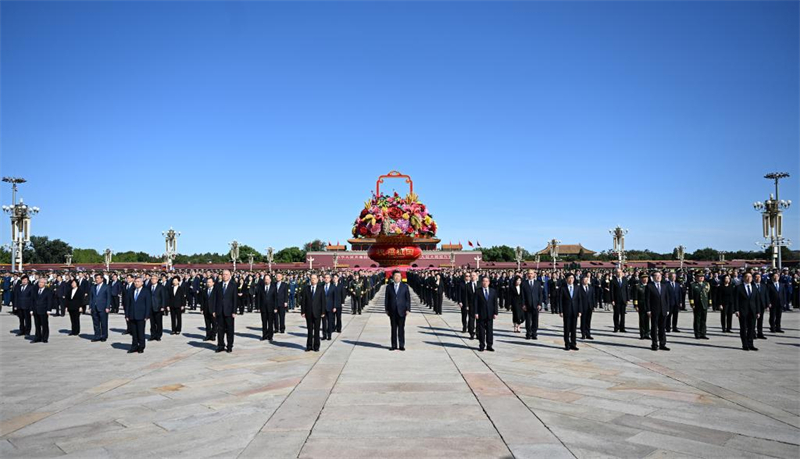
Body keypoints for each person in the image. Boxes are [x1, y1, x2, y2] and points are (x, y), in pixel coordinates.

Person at [385, 270, 411, 351]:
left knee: (401, 329)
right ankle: (393, 345)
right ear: (393, 277)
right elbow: (386, 299)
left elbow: (408, 299)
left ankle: (401, 345)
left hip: (402, 310)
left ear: (401, 277)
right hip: (392, 311)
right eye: (395, 276)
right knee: (393, 329)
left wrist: (408, 309)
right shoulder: (389, 286)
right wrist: (386, 309)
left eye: (398, 276)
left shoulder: (405, 286)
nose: (397, 277)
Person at [734, 272, 760, 351]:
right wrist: (736, 310)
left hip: (752, 311)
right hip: (743, 311)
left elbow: (757, 300)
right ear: (743, 278)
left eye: (750, 277)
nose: (749, 278)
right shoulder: (739, 287)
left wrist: (758, 311)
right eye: (747, 277)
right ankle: (744, 345)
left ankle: (750, 344)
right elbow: (736, 300)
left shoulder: (754, 287)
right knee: (743, 328)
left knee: (751, 328)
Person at [125, 277, 151, 353]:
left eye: (138, 281)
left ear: (142, 283)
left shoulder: (146, 291)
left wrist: (147, 315)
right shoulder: (131, 291)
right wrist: (127, 315)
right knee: (134, 333)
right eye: (135, 282)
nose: (136, 283)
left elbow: (148, 304)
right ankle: (134, 346)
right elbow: (128, 304)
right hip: (132, 315)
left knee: (140, 332)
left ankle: (141, 346)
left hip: (141, 315)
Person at [301, 273, 325, 352]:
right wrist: (303, 311)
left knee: (317, 331)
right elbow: (303, 301)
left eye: (314, 278)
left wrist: (323, 312)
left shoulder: (320, 289)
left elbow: (322, 301)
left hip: (317, 313)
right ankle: (309, 345)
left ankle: (316, 346)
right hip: (308, 313)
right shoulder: (306, 288)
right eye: (312, 278)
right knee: (310, 330)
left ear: (317, 280)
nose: (313, 280)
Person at [646, 271, 670, 351]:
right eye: (656, 276)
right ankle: (654, 344)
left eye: (659, 275)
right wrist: (648, 310)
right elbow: (647, 299)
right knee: (654, 327)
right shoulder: (649, 286)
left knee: (662, 327)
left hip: (663, 310)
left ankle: (662, 344)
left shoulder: (664, 286)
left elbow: (667, 298)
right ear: (653, 277)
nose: (658, 277)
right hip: (654, 310)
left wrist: (667, 309)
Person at [474, 276, 498, 352]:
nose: (485, 283)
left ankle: (489, 345)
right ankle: (481, 345)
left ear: (489, 282)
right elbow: (475, 303)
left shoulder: (493, 291)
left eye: (486, 281)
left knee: (489, 331)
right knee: (481, 331)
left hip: (490, 314)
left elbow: (495, 303)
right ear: (481, 282)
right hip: (481, 313)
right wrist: (476, 312)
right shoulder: (478, 291)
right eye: (483, 281)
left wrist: (495, 313)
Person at [216, 270, 238, 353]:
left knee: (229, 329)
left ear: (230, 275)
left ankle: (229, 346)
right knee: (220, 329)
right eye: (223, 274)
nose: (224, 276)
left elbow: (235, 299)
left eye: (226, 274)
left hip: (229, 311)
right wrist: (214, 310)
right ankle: (220, 345)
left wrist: (234, 311)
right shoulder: (218, 285)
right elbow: (215, 298)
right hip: (220, 311)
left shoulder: (233, 285)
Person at [559, 273, 580, 350]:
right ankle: (567, 344)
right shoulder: (563, 288)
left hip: (575, 310)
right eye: (569, 278)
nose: (571, 280)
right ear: (566, 279)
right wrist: (560, 311)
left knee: (574, 328)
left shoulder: (577, 288)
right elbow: (560, 300)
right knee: (567, 328)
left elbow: (579, 300)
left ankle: (573, 343)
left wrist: (580, 310)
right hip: (566, 310)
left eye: (572, 278)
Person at [521, 269, 544, 340]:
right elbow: (522, 295)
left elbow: (540, 294)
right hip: (527, 305)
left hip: (536, 305)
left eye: (531, 273)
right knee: (528, 320)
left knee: (535, 320)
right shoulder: (524, 283)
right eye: (529, 274)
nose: (530, 275)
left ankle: (534, 333)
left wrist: (540, 304)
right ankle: (528, 333)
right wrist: (523, 304)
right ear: (527, 275)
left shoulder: (538, 283)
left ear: (534, 274)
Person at [89, 273, 111, 342]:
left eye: (98, 278)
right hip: (94, 307)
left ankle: (104, 336)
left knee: (103, 323)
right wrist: (90, 306)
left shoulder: (106, 287)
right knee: (96, 323)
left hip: (103, 307)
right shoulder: (93, 287)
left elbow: (108, 298)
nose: (96, 279)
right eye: (96, 278)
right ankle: (97, 336)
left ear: (102, 279)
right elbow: (91, 298)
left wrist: (107, 307)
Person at [32, 278, 55, 343]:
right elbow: (32, 300)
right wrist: (31, 310)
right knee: (37, 325)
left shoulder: (48, 291)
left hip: (44, 310)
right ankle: (37, 337)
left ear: (45, 284)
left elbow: (49, 301)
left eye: (42, 282)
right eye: (39, 282)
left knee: (44, 325)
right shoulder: (35, 290)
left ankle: (45, 338)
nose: (40, 284)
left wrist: (49, 310)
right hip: (36, 310)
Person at [689, 272, 710, 339]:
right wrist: (692, 303)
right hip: (697, 304)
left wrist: (710, 302)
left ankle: (703, 333)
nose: (701, 278)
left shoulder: (706, 284)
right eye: (699, 276)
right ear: (696, 277)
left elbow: (709, 294)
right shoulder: (693, 285)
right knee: (697, 320)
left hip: (704, 304)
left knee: (703, 320)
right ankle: (697, 334)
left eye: (702, 277)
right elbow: (691, 295)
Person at [257, 274, 276, 341]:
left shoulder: (273, 287)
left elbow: (275, 298)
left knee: (270, 323)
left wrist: (275, 308)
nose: (266, 281)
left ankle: (270, 336)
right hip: (263, 308)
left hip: (271, 308)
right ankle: (264, 335)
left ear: (270, 280)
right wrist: (258, 307)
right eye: (265, 279)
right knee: (264, 322)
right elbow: (258, 298)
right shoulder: (261, 288)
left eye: (268, 279)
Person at [148, 274, 167, 341]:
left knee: (158, 323)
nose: (153, 280)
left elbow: (163, 297)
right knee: (152, 323)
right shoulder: (148, 286)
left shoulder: (161, 287)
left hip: (158, 307)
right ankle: (152, 335)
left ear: (157, 279)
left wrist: (163, 306)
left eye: (154, 279)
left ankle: (158, 335)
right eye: (152, 279)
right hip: (151, 307)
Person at [610, 268, 629, 333]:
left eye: (620, 272)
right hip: (616, 300)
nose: (619, 273)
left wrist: (627, 299)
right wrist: (612, 300)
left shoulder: (625, 280)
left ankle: (622, 328)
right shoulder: (613, 281)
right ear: (615, 273)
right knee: (616, 314)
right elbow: (611, 291)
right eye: (618, 272)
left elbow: (627, 290)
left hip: (623, 299)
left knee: (623, 314)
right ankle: (616, 327)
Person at [578, 275, 595, 340]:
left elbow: (593, 297)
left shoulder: (591, 287)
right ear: (582, 281)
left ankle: (588, 334)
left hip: (589, 306)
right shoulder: (579, 288)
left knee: (588, 321)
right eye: (584, 280)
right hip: (582, 307)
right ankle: (583, 334)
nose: (586, 281)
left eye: (587, 280)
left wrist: (593, 305)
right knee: (583, 321)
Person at [753, 272, 768, 339]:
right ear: (753, 278)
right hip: (753, 305)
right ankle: (752, 333)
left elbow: (766, 295)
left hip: (761, 305)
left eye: (759, 277)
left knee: (760, 320)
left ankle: (760, 333)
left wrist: (767, 304)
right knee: (753, 320)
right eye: (756, 277)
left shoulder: (763, 285)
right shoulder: (751, 285)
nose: (758, 278)